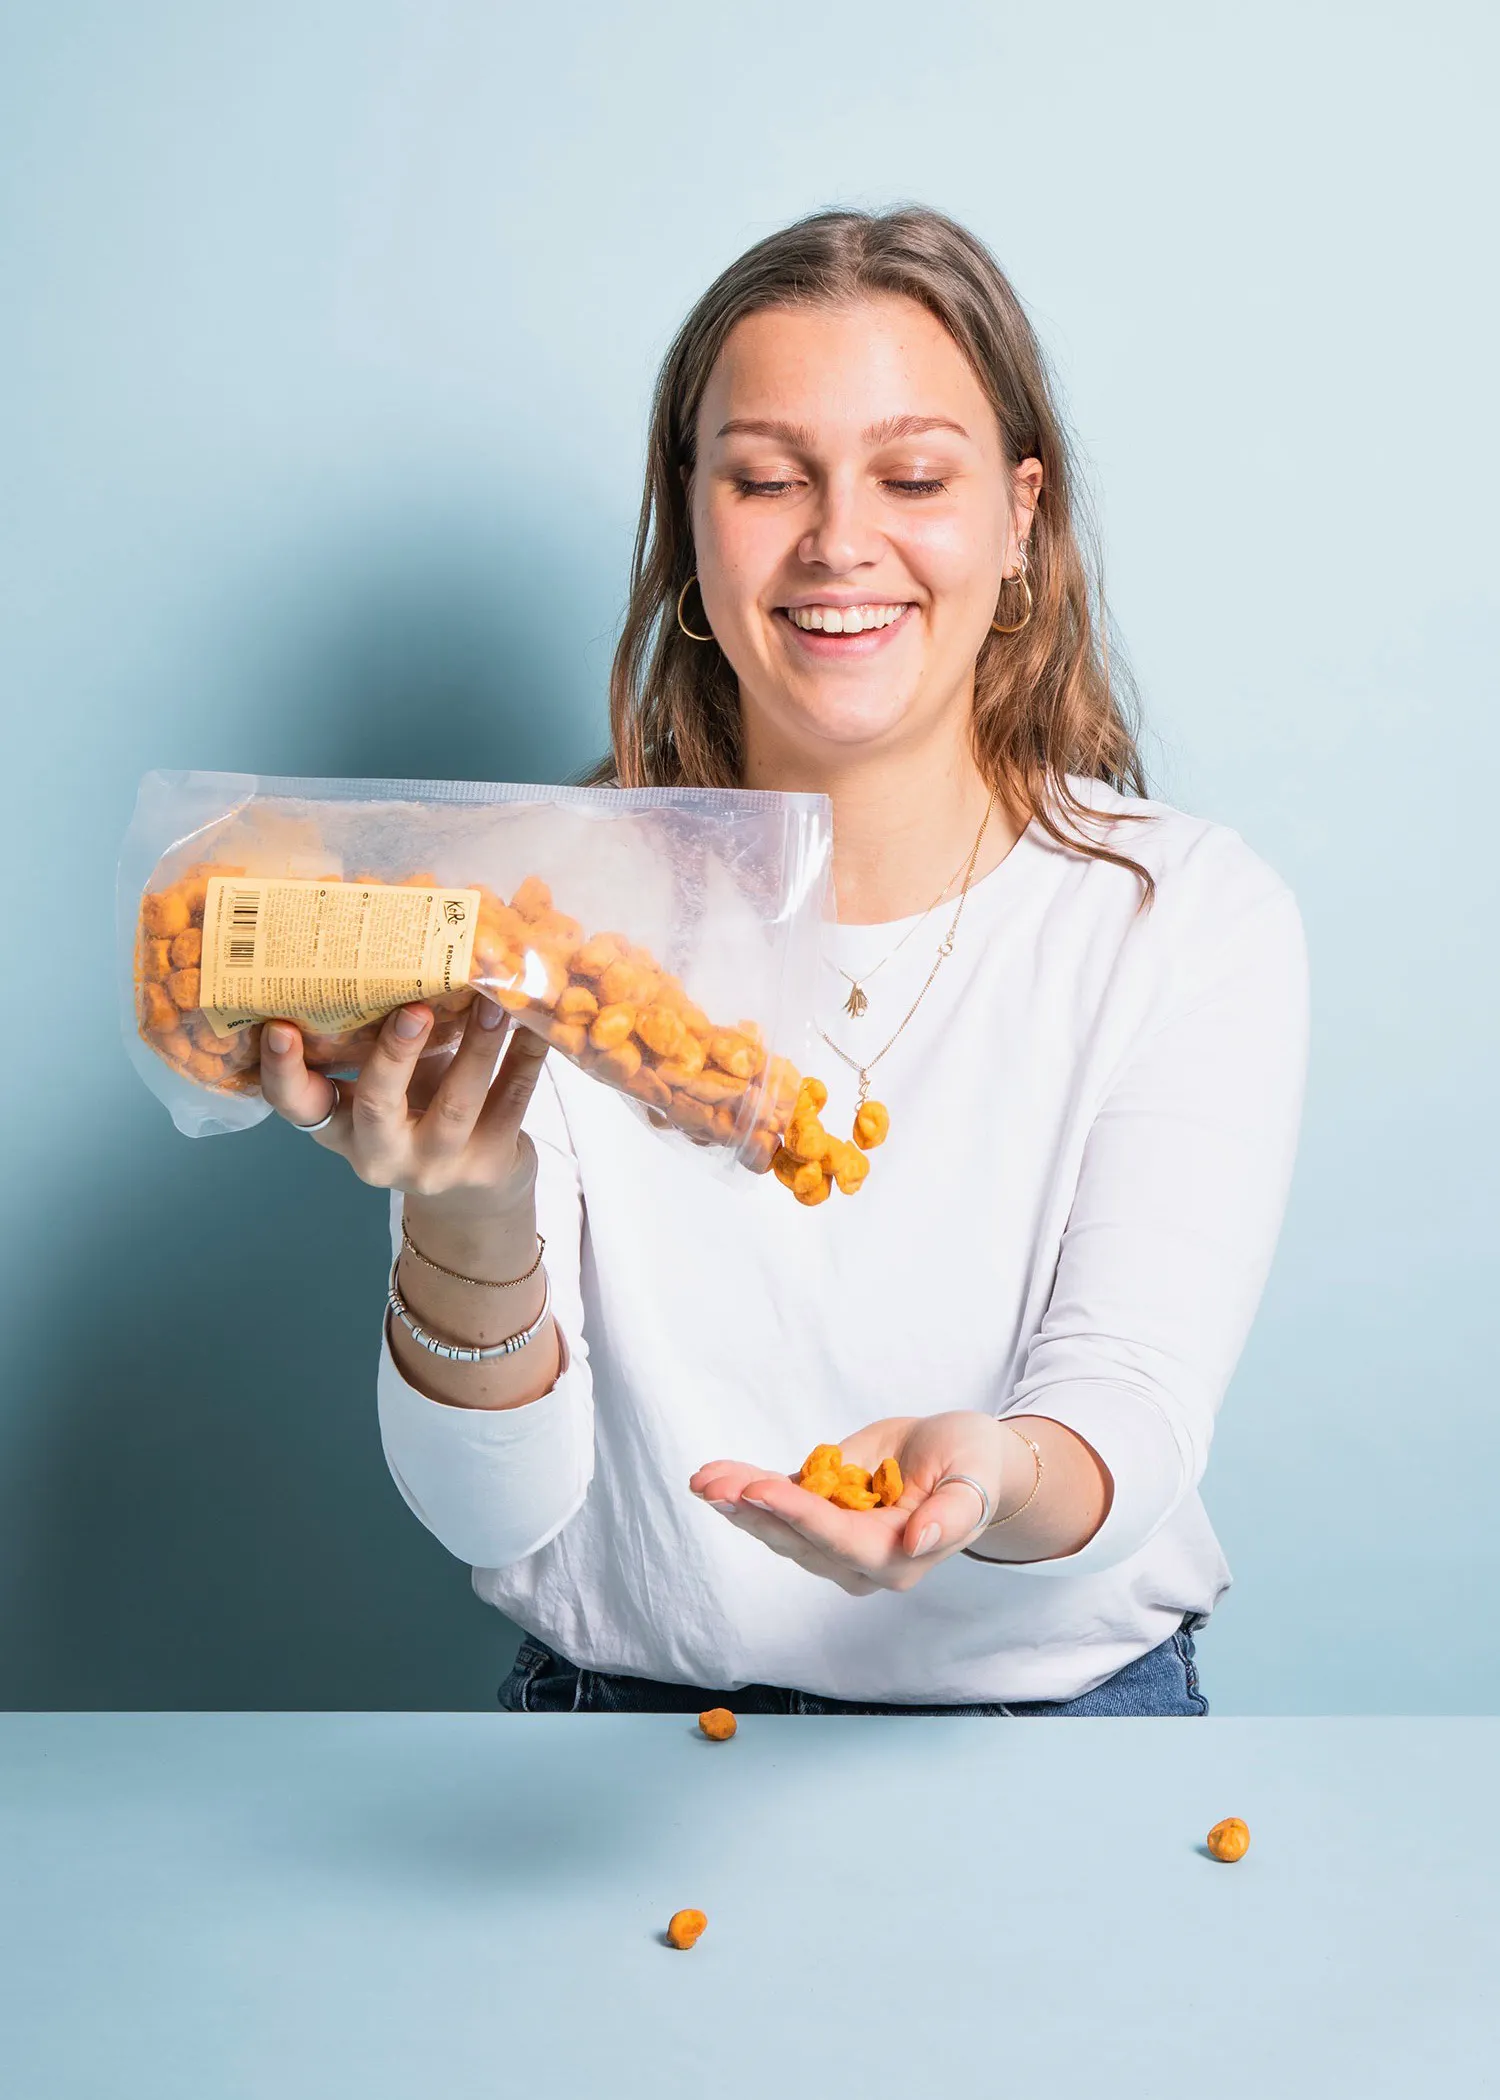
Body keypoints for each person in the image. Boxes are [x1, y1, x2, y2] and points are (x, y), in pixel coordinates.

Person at [259, 207, 1307, 1717]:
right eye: (764, 477)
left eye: (915, 475)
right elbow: (490, 1514)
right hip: (614, 1740)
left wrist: (985, 1479)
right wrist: (469, 1212)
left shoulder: (1183, 916)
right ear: (690, 521)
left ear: (1021, 517)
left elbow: (1127, 1409)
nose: (838, 540)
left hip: (1071, 1743)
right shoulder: (536, 919)